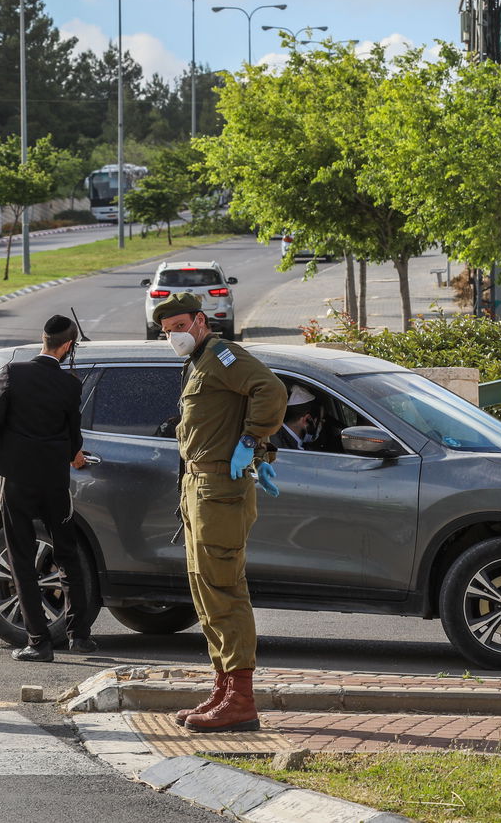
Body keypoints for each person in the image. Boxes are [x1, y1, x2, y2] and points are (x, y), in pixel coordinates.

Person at [154, 293, 286, 732]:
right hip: (198, 486)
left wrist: (252, 442)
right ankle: (224, 686)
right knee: (205, 590)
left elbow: (269, 389)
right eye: (166, 329)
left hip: (219, 489)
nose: (173, 335)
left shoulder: (223, 355)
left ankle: (242, 699)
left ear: (200, 320)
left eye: (178, 325)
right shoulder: (198, 362)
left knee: (224, 588)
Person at [0, 314, 94, 662]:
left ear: (43, 339)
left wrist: (10, 446)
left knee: (22, 558)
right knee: (67, 554)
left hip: (17, 482)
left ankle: (38, 643)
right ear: (68, 346)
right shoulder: (71, 385)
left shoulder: (14, 372)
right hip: (54, 483)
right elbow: (74, 439)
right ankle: (79, 635)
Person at [270, 385, 319, 451]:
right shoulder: (278, 445)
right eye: (319, 421)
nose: (319, 426)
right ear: (306, 419)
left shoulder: (277, 435)